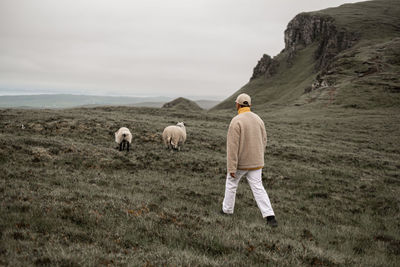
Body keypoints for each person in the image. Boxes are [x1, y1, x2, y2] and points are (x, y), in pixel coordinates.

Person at [222, 93, 278, 227]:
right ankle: (270, 217)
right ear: (250, 105)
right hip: (256, 162)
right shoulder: (258, 119)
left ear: (237, 104)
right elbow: (264, 140)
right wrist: (260, 156)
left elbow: (232, 146)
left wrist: (232, 167)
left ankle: (227, 210)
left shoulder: (236, 120)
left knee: (231, 183)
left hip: (241, 162)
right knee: (258, 188)